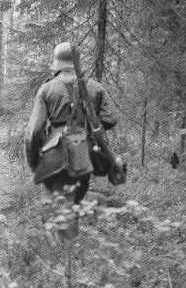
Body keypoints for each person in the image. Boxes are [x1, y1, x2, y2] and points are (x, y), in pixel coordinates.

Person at [25, 41, 117, 203]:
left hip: (55, 156)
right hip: (85, 154)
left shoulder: (46, 89)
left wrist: (34, 163)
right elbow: (111, 119)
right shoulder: (95, 87)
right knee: (74, 202)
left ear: (57, 62)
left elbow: (34, 133)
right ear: (77, 62)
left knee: (61, 208)